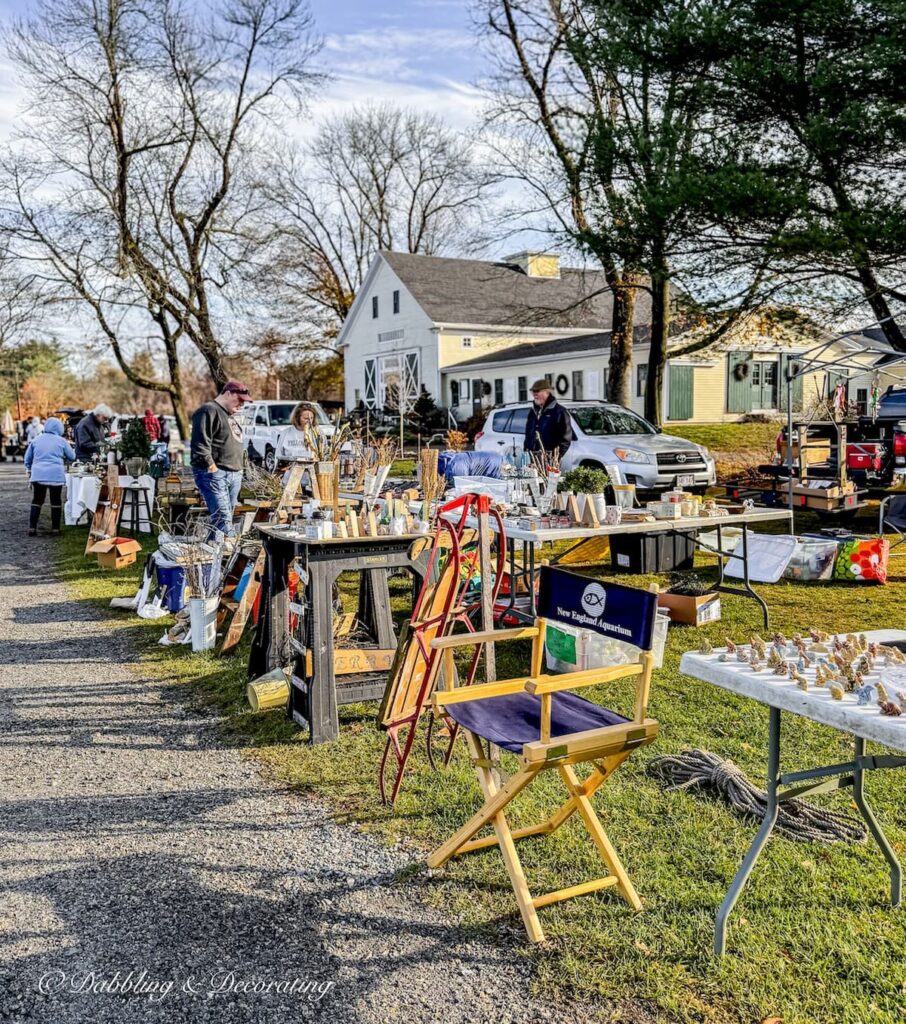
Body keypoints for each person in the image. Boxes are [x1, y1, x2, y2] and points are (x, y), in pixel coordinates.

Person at [190, 380, 252, 536]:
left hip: (233, 473)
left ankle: (212, 554)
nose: (242, 405)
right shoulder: (208, 411)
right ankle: (234, 556)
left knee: (223, 520)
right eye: (240, 400)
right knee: (223, 520)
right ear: (228, 393)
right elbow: (200, 445)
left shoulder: (229, 414)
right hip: (216, 474)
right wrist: (212, 468)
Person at [24, 416, 76, 536]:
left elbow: (27, 458)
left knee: (37, 500)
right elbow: (72, 457)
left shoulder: (36, 440)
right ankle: (55, 529)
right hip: (55, 475)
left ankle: (32, 528)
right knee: (56, 501)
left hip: (38, 475)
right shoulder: (61, 441)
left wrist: (29, 469)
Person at [524, 378, 573, 460]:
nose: (535, 394)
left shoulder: (560, 412)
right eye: (533, 391)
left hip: (550, 462)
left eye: (537, 391)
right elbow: (528, 435)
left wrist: (554, 458)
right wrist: (526, 453)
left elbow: (565, 440)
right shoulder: (532, 412)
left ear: (547, 392)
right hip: (532, 460)